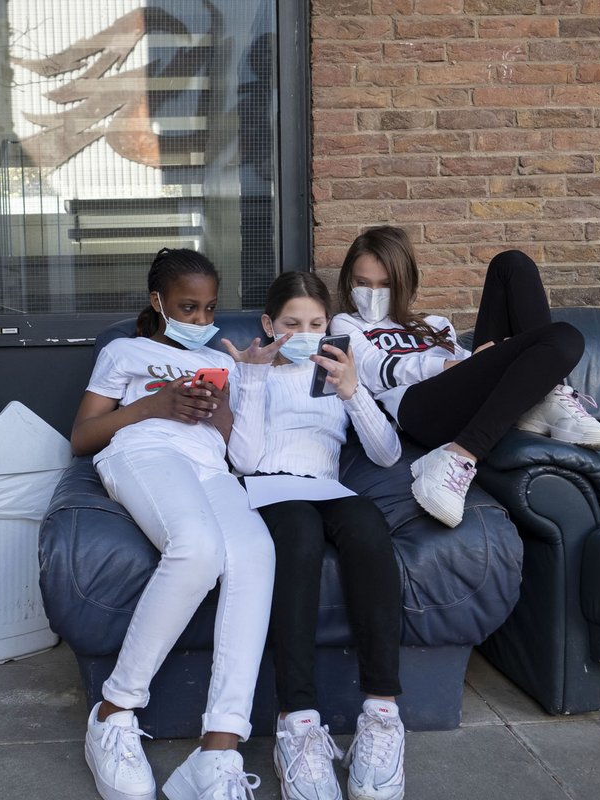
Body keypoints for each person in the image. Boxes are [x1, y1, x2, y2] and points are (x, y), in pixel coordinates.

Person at [71, 248, 274, 800]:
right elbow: (83, 438)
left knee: (256, 556)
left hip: (209, 467)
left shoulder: (224, 362)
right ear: (157, 301)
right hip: (143, 451)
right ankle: (114, 714)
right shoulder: (123, 352)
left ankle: (218, 753)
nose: (200, 322)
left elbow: (239, 452)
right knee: (198, 548)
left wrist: (231, 397)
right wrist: (157, 404)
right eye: (187, 308)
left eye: (209, 310)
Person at [225, 272, 406, 800]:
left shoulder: (340, 374)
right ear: (268, 325)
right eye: (290, 323)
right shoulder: (250, 373)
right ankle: (298, 724)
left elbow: (386, 455)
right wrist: (255, 379)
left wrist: (353, 393)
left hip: (326, 486)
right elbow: (245, 459)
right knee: (299, 536)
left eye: (315, 323)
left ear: (329, 326)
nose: (303, 333)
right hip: (268, 487)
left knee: (369, 527)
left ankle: (382, 713)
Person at [331, 226, 600, 528]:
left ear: (405, 282)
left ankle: (548, 394)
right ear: (349, 280)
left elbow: (464, 364)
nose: (373, 294)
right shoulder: (345, 324)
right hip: (416, 408)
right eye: (362, 283)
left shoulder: (436, 324)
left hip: (460, 392)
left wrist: (483, 359)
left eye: (385, 284)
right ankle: (459, 454)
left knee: (512, 264)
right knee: (563, 336)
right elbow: (376, 372)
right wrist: (455, 366)